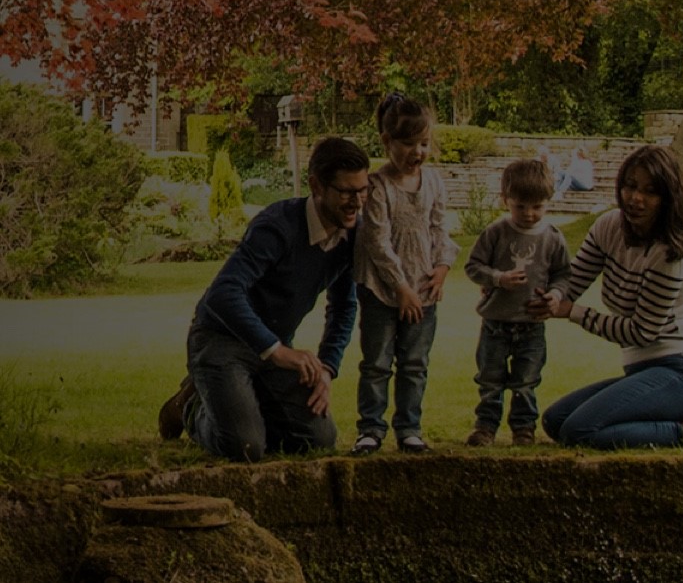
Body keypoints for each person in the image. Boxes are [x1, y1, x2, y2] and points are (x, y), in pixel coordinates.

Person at [157, 136, 370, 462]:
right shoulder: (278, 226)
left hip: (272, 351)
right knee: (245, 446)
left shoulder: (351, 235)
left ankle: (241, 401)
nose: (357, 202)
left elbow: (344, 306)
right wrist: (278, 350)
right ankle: (190, 405)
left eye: (362, 191)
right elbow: (223, 293)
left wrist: (327, 369)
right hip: (221, 339)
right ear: (316, 185)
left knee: (318, 438)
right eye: (346, 192)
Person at [529, 144, 683, 449]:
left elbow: (642, 332)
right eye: (630, 186)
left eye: (650, 191)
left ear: (667, 198)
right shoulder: (608, 226)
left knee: (579, 431)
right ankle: (680, 418)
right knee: (556, 420)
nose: (635, 198)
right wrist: (541, 294)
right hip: (643, 371)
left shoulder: (671, 253)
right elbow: (571, 281)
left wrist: (572, 312)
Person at [350, 93, 459, 455]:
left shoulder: (433, 183)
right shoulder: (378, 186)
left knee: (414, 363)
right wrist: (400, 288)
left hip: (423, 287)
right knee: (378, 362)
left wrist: (441, 269)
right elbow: (377, 241)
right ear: (387, 142)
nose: (418, 152)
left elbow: (440, 228)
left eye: (424, 144)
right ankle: (370, 428)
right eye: (409, 144)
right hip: (384, 289)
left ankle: (409, 427)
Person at [464, 158, 571, 447]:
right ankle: (485, 427)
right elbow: (473, 267)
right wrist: (498, 278)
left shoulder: (553, 238)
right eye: (520, 206)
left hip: (532, 325)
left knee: (526, 381)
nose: (529, 214)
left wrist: (556, 295)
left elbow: (563, 274)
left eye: (537, 206)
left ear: (548, 202)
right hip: (496, 323)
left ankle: (523, 429)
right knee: (490, 378)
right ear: (506, 201)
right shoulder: (496, 233)